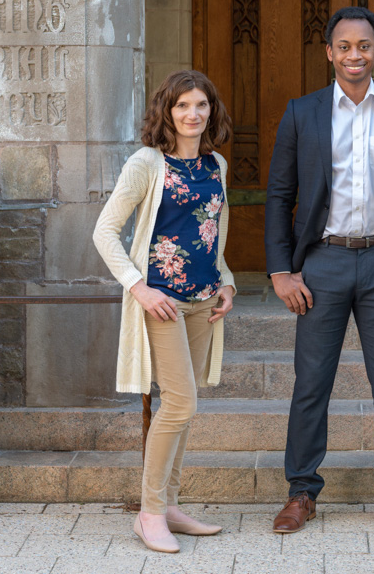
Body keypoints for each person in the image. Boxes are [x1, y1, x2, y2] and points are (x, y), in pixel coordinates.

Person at [265, 6, 374, 534]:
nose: (354, 55)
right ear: (329, 53)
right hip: (323, 262)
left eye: (363, 45)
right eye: (344, 46)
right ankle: (301, 492)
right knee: (311, 381)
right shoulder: (303, 112)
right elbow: (279, 195)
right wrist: (280, 270)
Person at [93, 70, 236, 554]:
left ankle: (170, 504)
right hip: (162, 301)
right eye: (182, 106)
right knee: (179, 402)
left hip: (202, 300)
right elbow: (105, 231)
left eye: (201, 105)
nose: (192, 114)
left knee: (185, 405)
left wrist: (228, 282)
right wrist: (139, 288)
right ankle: (149, 513)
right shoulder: (146, 163)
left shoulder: (215, 164)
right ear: (166, 112)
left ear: (210, 110)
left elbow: (211, 235)